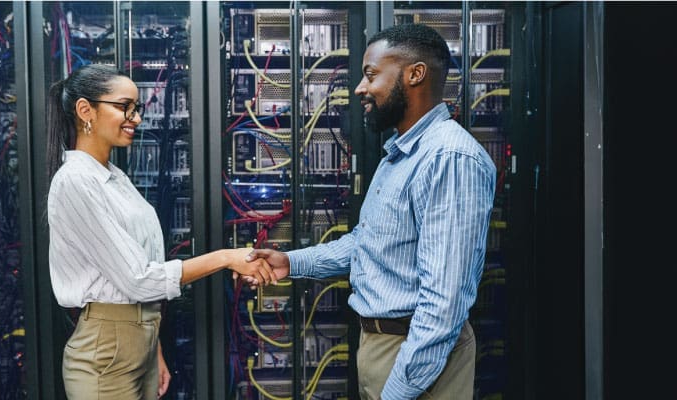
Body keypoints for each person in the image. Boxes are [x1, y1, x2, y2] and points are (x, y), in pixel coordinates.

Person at [244, 23, 496, 400]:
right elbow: (366, 243)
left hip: (416, 357)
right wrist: (290, 262)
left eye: (371, 75)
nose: (361, 88)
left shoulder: (449, 159)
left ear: (415, 74)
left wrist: (396, 391)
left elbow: (442, 306)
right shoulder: (400, 153)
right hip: (383, 347)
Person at [45, 64, 277, 399]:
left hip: (138, 346)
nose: (135, 118)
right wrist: (226, 257)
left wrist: (153, 350)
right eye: (124, 107)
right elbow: (137, 279)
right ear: (86, 110)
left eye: (136, 109)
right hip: (105, 357)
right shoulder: (76, 182)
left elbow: (137, 277)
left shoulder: (114, 178)